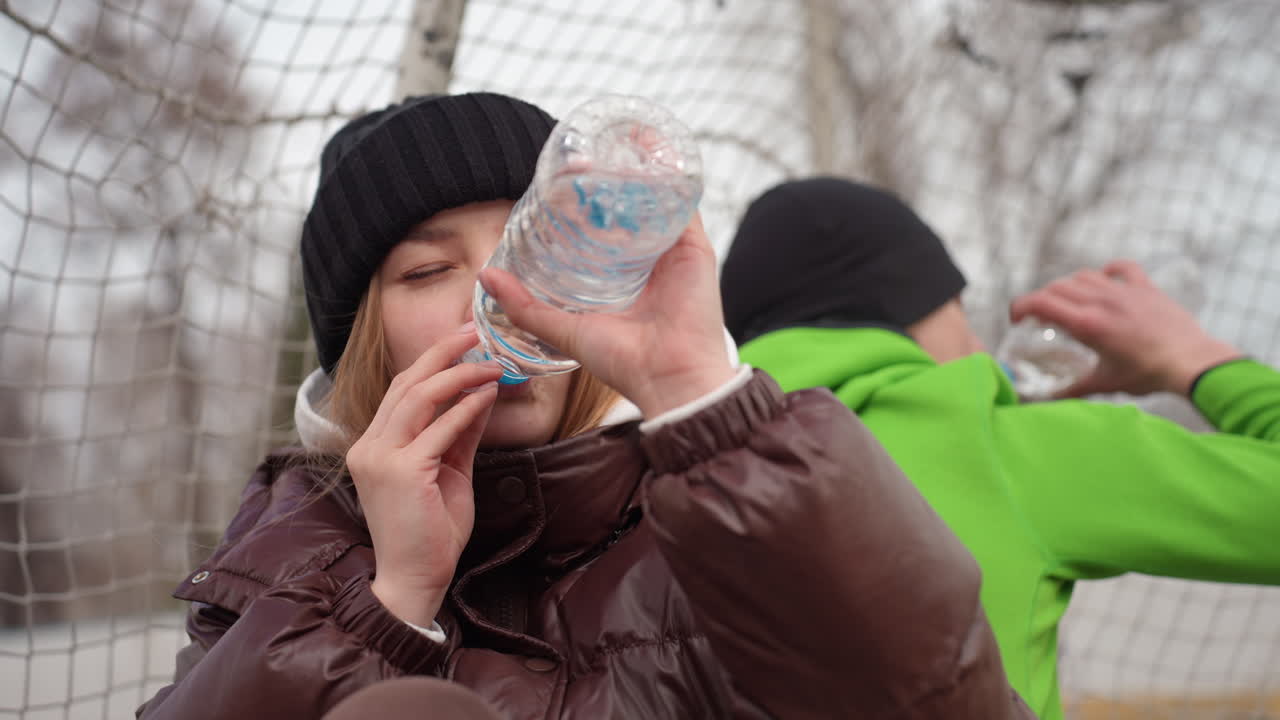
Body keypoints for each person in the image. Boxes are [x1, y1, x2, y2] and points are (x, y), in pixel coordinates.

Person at [135, 94, 1036, 719]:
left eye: (532, 247)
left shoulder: (724, 517)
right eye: (428, 270)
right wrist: (391, 603)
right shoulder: (284, 559)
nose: (496, 296)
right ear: (361, 344)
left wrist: (705, 406)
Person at [720, 176, 1280, 720]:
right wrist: (1196, 358)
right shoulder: (994, 444)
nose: (978, 344)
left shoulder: (679, 473)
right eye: (957, 310)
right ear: (907, 305)